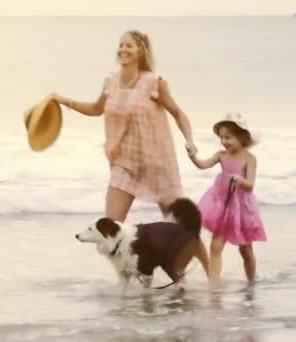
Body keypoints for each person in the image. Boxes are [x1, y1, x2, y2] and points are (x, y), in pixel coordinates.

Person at [51, 29, 209, 276]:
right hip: (123, 162)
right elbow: (95, 108)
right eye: (121, 45)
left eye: (130, 46)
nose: (123, 50)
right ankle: (127, 287)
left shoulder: (154, 82)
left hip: (157, 164)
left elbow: (178, 113)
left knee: (182, 227)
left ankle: (211, 272)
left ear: (141, 51)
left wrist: (190, 141)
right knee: (110, 229)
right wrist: (63, 100)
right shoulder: (110, 80)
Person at [187, 113, 267, 286]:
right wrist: (193, 156)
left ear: (241, 137)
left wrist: (240, 180)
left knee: (245, 249)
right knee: (216, 246)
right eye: (221, 137)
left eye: (228, 137)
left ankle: (251, 283)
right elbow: (203, 165)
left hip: (242, 208)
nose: (224, 141)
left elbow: (250, 185)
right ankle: (214, 285)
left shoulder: (249, 158)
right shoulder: (221, 155)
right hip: (222, 205)